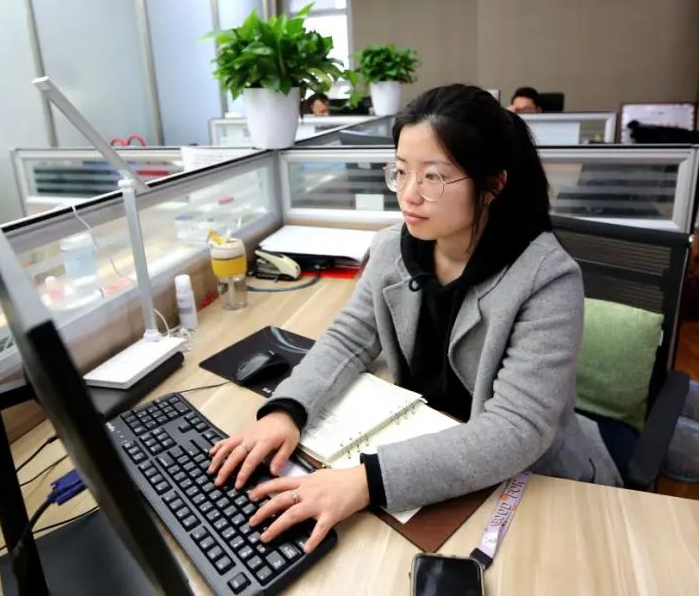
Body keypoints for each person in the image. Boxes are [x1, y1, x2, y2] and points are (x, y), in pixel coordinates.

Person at [208, 84, 619, 554]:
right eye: (401, 172)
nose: (409, 195)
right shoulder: (392, 248)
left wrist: (365, 481)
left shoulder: (548, 279)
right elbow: (348, 338)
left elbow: (516, 430)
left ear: (493, 183)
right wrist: (287, 410)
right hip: (424, 452)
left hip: (528, 485)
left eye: (433, 177)